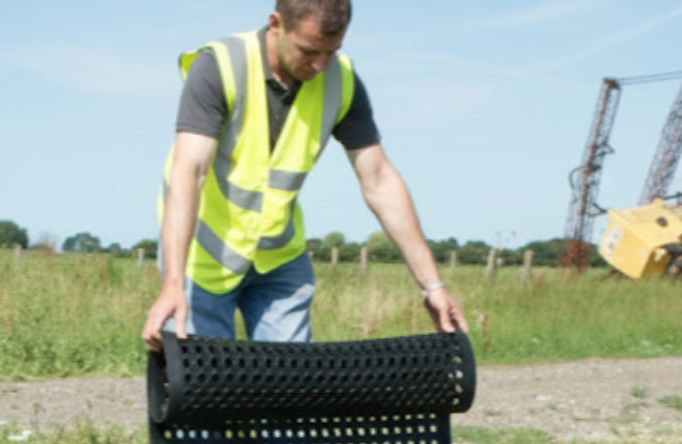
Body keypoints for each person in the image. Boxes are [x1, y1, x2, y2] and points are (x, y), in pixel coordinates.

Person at [142, 0, 466, 351]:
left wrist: (432, 286)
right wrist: (172, 284)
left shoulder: (341, 82)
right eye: (309, 51)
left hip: (279, 258)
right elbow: (190, 171)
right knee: (205, 386)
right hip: (203, 256)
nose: (320, 65)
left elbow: (379, 180)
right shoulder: (219, 66)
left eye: (332, 52)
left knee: (290, 387)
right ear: (276, 24)